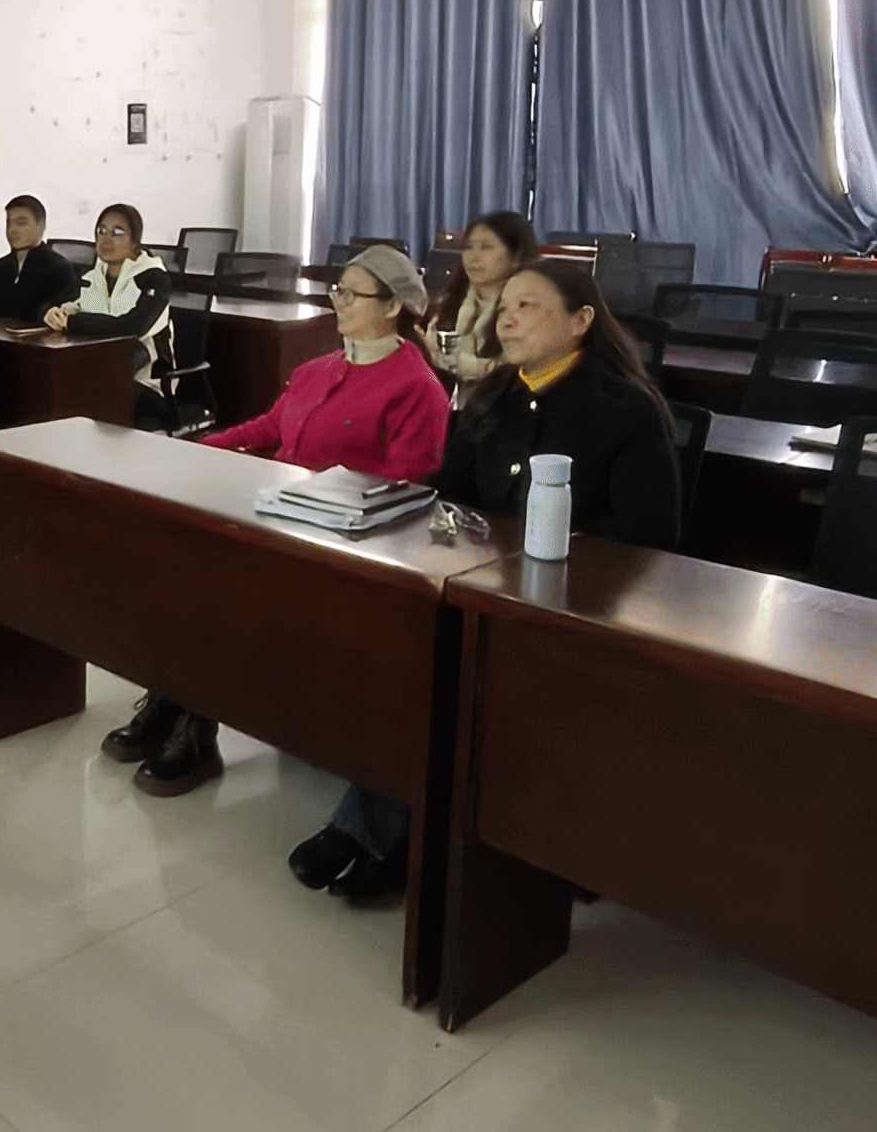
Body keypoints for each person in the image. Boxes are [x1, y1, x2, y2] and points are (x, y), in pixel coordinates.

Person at [287, 259, 680, 901]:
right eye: (505, 307)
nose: (508, 318)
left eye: (528, 306)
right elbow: (451, 492)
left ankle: (373, 834)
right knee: (409, 646)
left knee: (456, 675)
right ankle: (389, 829)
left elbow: (649, 537)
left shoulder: (625, 408)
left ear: (580, 320)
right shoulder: (494, 396)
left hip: (581, 611)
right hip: (490, 593)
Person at [103, 246, 451, 798]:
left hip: (341, 545)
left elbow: (406, 488)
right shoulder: (319, 368)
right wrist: (199, 449)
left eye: (352, 293)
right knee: (178, 564)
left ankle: (197, 724)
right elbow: (270, 426)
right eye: (337, 289)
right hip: (278, 518)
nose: (338, 301)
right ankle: (171, 696)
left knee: (222, 589)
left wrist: (320, 503)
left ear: (392, 306)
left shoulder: (417, 388)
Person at [43, 203, 174, 431]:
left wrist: (74, 323)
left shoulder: (154, 279)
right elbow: (71, 304)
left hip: (145, 381)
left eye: (117, 233)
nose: (106, 239)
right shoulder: (94, 275)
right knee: (55, 385)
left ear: (135, 241)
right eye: (101, 231)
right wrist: (54, 313)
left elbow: (133, 327)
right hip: (99, 366)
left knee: (85, 394)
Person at [420, 212, 538, 386]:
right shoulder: (449, 304)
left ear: (516, 257)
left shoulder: (529, 312)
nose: (473, 257)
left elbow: (519, 373)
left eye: (486, 247)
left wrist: (457, 363)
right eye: (468, 247)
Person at [0, 194, 76, 324]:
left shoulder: (58, 268)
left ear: (41, 226)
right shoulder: (0, 267)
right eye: (9, 223)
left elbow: (55, 317)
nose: (12, 230)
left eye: (21, 223)